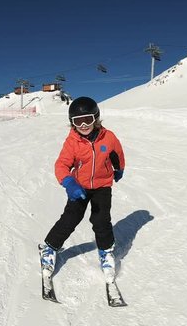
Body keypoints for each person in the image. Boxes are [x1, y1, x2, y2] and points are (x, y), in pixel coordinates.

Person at [39, 96, 125, 282]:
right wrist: (69, 182)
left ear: (96, 118)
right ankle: (50, 247)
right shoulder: (72, 142)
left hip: (102, 186)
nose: (84, 125)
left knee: (102, 220)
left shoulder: (108, 137)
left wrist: (119, 169)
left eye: (88, 119)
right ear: (72, 123)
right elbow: (61, 164)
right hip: (79, 186)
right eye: (78, 121)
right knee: (71, 218)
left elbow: (117, 153)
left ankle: (106, 252)